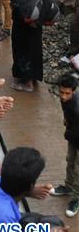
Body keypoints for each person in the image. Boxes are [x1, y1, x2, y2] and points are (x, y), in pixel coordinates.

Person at [10, 0, 46, 92]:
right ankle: (22, 75)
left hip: (30, 25)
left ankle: (28, 82)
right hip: (19, 23)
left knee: (29, 50)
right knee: (19, 48)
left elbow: (43, 1)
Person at [53, 73, 79, 218]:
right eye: (61, 92)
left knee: (78, 170)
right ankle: (68, 187)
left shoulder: (77, 108)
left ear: (73, 91)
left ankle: (76, 198)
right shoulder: (66, 99)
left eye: (67, 93)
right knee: (70, 161)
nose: (63, 96)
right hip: (73, 136)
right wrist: (66, 119)